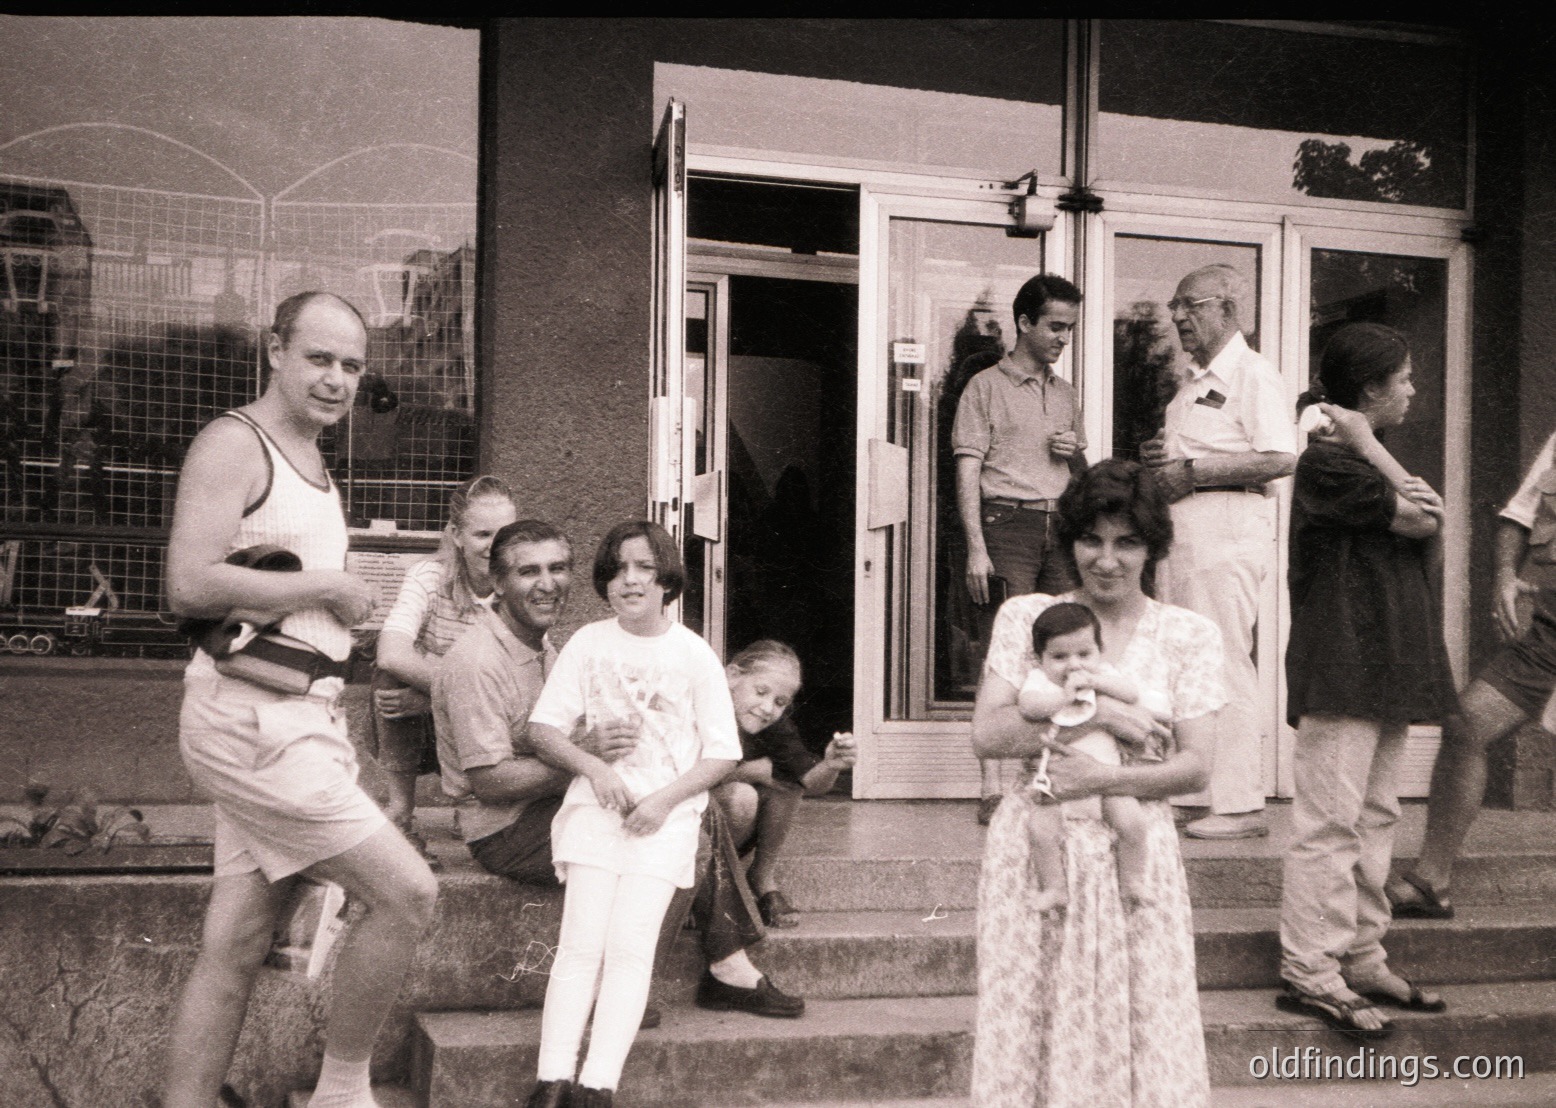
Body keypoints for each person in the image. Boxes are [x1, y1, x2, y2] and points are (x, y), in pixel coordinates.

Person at [161, 291, 439, 1108]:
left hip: (291, 719)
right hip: (249, 722)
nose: (337, 379)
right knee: (409, 892)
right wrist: (326, 585)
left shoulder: (313, 462)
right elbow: (187, 583)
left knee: (237, 941)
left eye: (352, 365)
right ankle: (342, 1094)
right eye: (319, 358)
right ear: (275, 349)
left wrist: (349, 742)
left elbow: (313, 640)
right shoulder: (233, 444)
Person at [431, 523, 804, 1025]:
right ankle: (655, 977)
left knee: (698, 811)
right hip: (506, 830)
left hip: (558, 803)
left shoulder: (545, 646)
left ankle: (725, 964)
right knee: (688, 838)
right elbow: (491, 786)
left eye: (557, 568)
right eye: (528, 572)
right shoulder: (479, 661)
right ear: (497, 583)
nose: (548, 583)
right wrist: (583, 758)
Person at [969, 458, 1224, 1107]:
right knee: (1030, 1019)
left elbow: (1196, 765)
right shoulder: (1032, 617)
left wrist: (1104, 777)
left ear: (1152, 548)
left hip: (1131, 854)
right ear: (1069, 541)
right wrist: (1105, 714)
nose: (1106, 559)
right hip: (1038, 852)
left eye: (1127, 542)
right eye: (1091, 540)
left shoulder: (1187, 635)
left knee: (1140, 1023)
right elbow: (990, 734)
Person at [517, 520, 743, 1108]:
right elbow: (543, 729)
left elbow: (723, 751)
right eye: (617, 569)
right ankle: (552, 1079)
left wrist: (663, 801)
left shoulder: (693, 654)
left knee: (630, 949)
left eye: (644, 567)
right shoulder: (589, 644)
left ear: (667, 578)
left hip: (663, 825)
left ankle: (598, 1086)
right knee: (579, 944)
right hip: (596, 815)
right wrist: (593, 765)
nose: (630, 580)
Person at [1277, 322, 1454, 1037]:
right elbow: (1424, 517)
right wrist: (1360, 440)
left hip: (1389, 660)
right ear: (1368, 392)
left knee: (1377, 815)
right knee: (1330, 822)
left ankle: (1361, 953)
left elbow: (1430, 513)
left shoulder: (1364, 458)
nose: (1412, 389)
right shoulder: (1327, 465)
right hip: (1342, 660)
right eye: (1403, 378)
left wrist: (1366, 439)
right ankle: (1310, 969)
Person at [1140, 263, 1297, 840]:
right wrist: (1166, 459)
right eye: (1174, 306)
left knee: (1224, 657)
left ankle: (1240, 802)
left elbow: (1281, 456)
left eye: (1190, 305)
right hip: (1186, 533)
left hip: (1227, 527)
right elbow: (1191, 457)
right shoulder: (1193, 381)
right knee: (1187, 660)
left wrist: (1194, 471)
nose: (1177, 316)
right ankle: (1197, 789)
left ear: (1229, 309)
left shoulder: (1253, 374)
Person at [1384, 430, 1556, 920]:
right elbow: (1519, 517)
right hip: (1550, 631)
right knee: (1465, 724)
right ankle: (1430, 881)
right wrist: (1504, 576)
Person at [952, 273, 1087, 824]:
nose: (1064, 338)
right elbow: (967, 469)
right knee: (1004, 650)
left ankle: (1042, 776)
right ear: (1024, 322)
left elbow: (1077, 470)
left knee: (1061, 650)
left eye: (1071, 329)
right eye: (1056, 326)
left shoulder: (1066, 392)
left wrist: (1075, 451)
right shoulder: (984, 385)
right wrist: (976, 548)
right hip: (1004, 523)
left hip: (1057, 527)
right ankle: (991, 784)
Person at [372, 474, 517, 860]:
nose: (494, 546)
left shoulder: (521, 585)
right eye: (483, 534)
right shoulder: (429, 576)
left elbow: (522, 687)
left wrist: (433, 698)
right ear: (456, 534)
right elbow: (390, 653)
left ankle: (471, 805)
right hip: (442, 720)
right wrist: (449, 693)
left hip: (491, 720)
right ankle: (401, 812)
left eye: (505, 534)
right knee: (388, 679)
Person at [1015, 602, 1170, 912]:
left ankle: (1133, 881)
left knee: (1133, 824)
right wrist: (1062, 697)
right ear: (1040, 658)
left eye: (1084, 654)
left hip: (1106, 781)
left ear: (1100, 652)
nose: (1074, 665)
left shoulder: (1105, 676)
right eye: (1059, 657)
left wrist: (1098, 683)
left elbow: (1130, 694)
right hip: (1057, 783)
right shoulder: (1041, 683)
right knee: (1040, 830)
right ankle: (1055, 888)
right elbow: (1028, 707)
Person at [711, 639, 858, 928]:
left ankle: (762, 876)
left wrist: (831, 765)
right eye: (761, 692)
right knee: (742, 795)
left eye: (780, 702)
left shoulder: (775, 726)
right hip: (687, 831)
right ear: (732, 676)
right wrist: (746, 772)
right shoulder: (706, 710)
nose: (767, 708)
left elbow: (810, 783)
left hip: (727, 829)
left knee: (786, 784)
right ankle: (711, 884)